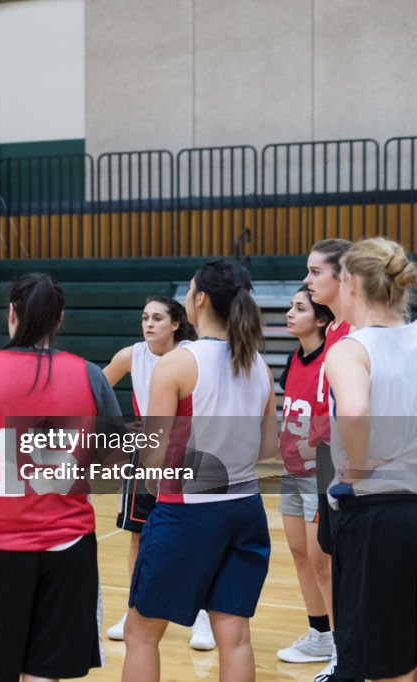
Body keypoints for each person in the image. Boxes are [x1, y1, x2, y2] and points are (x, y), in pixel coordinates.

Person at [0, 273, 119, 682]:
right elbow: (111, 461)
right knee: (43, 672)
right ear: (60, 319)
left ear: (11, 314)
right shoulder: (91, 376)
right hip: (68, 549)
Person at [122, 259, 277, 682]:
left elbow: (152, 461)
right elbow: (268, 447)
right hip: (246, 508)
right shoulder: (259, 365)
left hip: (188, 509)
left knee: (140, 632)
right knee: (235, 634)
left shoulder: (176, 363)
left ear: (201, 299)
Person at [324, 237, 417, 682]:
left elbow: (356, 410)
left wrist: (356, 466)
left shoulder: (351, 349)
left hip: (378, 519)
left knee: (385, 666)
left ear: (353, 285)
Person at [101, 296, 210, 649]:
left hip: (191, 453)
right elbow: (93, 388)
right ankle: (136, 607)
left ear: (176, 324)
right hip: (147, 453)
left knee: (197, 537)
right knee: (139, 536)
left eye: (157, 318)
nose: (148, 324)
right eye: (145, 317)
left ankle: (203, 616)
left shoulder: (194, 354)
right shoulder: (132, 355)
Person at [302, 238, 354, 682]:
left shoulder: (358, 332)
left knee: (349, 563)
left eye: (316, 271)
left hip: (356, 468)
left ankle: (353, 654)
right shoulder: (334, 329)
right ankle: (344, 650)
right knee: (326, 557)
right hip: (325, 460)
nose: (307, 280)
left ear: (344, 276)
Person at [276, 286, 336, 665]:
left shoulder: (334, 359)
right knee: (300, 554)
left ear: (321, 319)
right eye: (290, 307)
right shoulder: (293, 358)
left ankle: (346, 644)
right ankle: (320, 634)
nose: (289, 313)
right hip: (289, 470)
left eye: (299, 308)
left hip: (320, 472)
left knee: (321, 559)